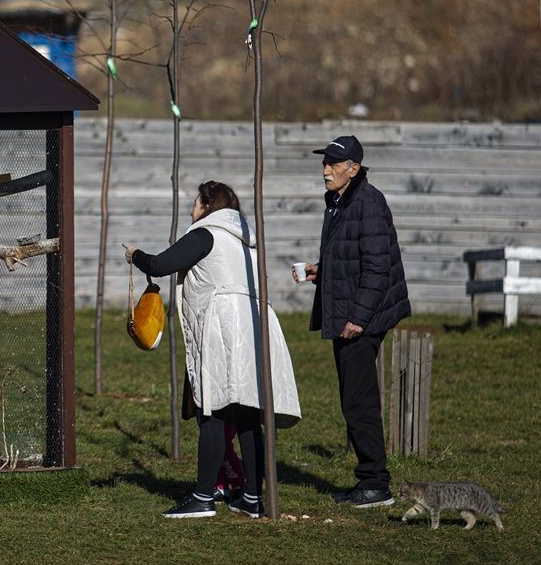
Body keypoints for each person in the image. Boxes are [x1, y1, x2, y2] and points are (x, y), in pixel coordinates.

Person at [123, 181, 301, 520]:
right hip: (253, 323)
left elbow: (160, 265)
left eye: (194, 204)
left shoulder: (207, 233)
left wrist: (136, 256)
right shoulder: (246, 241)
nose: (191, 211)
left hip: (223, 326)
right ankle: (252, 497)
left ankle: (203, 497)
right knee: (249, 414)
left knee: (213, 412)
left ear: (207, 205)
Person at [295, 135, 410, 509]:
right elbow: (353, 256)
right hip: (349, 312)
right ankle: (370, 480)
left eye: (333, 164)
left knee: (359, 401)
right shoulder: (341, 201)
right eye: (324, 163)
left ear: (354, 169)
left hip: (361, 318)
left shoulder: (368, 203)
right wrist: (321, 270)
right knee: (352, 399)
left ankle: (376, 484)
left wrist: (358, 319)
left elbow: (377, 269)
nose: (326, 171)